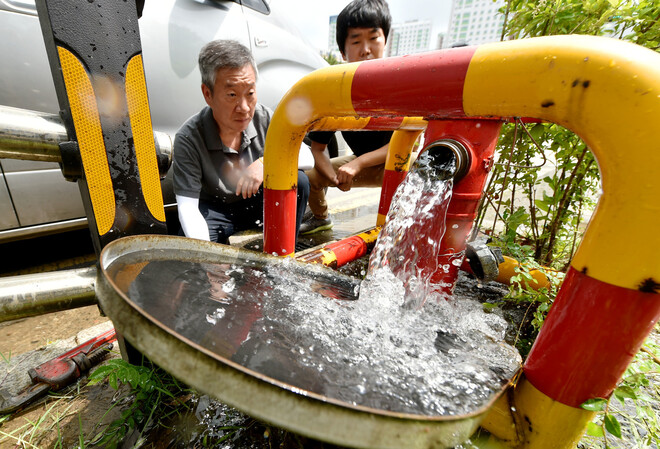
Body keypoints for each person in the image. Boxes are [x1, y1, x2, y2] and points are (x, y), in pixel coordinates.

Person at [173, 40, 310, 244]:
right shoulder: (189, 137)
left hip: (257, 203)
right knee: (186, 243)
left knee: (299, 181)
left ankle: (285, 249)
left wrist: (266, 164)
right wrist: (206, 259)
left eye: (250, 93)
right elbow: (188, 207)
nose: (244, 107)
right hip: (216, 210)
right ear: (207, 94)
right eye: (232, 95)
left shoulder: (265, 118)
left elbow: (308, 157)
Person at [299, 0, 393, 235]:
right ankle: (320, 218)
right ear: (343, 52)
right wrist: (332, 177)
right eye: (356, 41)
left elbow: (403, 146)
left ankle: (410, 227)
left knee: (427, 174)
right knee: (309, 177)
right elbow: (317, 149)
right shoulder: (336, 94)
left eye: (373, 38)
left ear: (385, 41)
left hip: (399, 162)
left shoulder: (399, 84)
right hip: (361, 164)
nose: (365, 49)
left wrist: (358, 163)